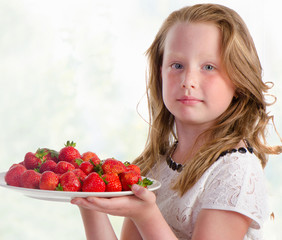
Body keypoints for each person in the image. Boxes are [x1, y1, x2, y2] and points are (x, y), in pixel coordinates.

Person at [71, 3, 282, 240]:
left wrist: (146, 215)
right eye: (177, 65)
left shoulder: (235, 171)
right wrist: (87, 200)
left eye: (209, 67)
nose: (188, 80)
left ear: (239, 82)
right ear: (159, 73)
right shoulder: (158, 164)